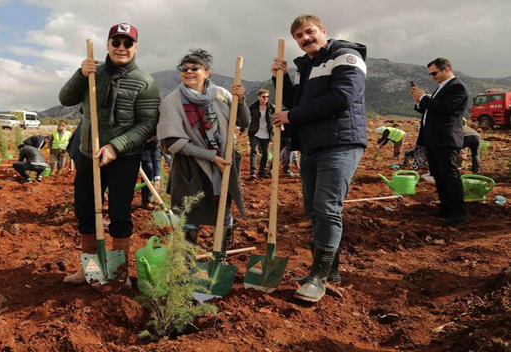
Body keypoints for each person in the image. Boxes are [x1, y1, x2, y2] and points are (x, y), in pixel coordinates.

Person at [271, 15, 367, 302]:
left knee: (326, 207)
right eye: (299, 36)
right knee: (314, 210)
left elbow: (342, 97)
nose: (305, 38)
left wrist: (292, 116)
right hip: (313, 145)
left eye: (309, 32)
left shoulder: (345, 56)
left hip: (341, 142)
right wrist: (280, 78)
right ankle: (330, 271)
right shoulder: (305, 66)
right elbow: (293, 102)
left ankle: (318, 277)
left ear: (323, 31)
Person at [58, 23, 160, 284]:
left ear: (136, 47)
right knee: (85, 210)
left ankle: (119, 272)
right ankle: (89, 269)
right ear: (108, 45)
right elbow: (65, 99)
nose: (121, 48)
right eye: (116, 42)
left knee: (119, 212)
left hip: (124, 158)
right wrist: (81, 74)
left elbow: (148, 124)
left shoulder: (145, 83)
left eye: (128, 43)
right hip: (88, 154)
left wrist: (116, 146)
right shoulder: (93, 73)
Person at [157, 48, 250, 257]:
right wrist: (211, 157)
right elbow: (173, 142)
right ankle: (187, 266)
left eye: (194, 68)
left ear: (206, 72)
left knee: (223, 215)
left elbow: (243, 122)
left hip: (222, 166)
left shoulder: (221, 95)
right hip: (190, 168)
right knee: (189, 216)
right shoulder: (172, 101)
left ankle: (220, 259)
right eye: (184, 69)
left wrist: (241, 100)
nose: (188, 71)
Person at [411, 58, 468, 227]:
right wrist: (419, 101)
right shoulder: (441, 88)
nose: (433, 77)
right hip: (434, 139)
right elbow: (431, 109)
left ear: (446, 69)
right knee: (439, 174)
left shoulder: (457, 87)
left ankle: (459, 212)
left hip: (446, 138)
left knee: (449, 175)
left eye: (434, 73)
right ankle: (446, 208)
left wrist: (423, 97)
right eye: (430, 75)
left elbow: (444, 108)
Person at [247, 89, 274, 179]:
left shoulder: (271, 107)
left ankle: (262, 172)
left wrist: (279, 126)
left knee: (265, 153)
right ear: (258, 97)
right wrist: (243, 128)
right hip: (254, 132)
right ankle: (253, 173)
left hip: (266, 133)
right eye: (263, 96)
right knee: (254, 151)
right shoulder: (253, 107)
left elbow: (276, 116)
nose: (265, 98)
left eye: (267, 97)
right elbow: (247, 118)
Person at [139, 136, 162, 209]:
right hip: (130, 150)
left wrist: (157, 178)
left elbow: (156, 157)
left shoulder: (155, 140)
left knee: (149, 168)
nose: (150, 140)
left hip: (146, 152)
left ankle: (146, 201)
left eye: (151, 138)